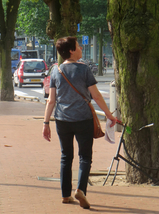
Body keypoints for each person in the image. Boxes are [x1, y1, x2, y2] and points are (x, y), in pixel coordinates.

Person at [42, 36, 116, 209]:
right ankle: (81, 190)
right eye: (78, 46)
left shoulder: (56, 70)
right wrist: (109, 115)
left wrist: (46, 123)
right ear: (71, 51)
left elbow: (51, 100)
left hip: (62, 120)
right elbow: (96, 95)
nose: (81, 48)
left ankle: (65, 195)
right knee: (85, 157)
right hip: (83, 119)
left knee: (66, 156)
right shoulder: (84, 69)